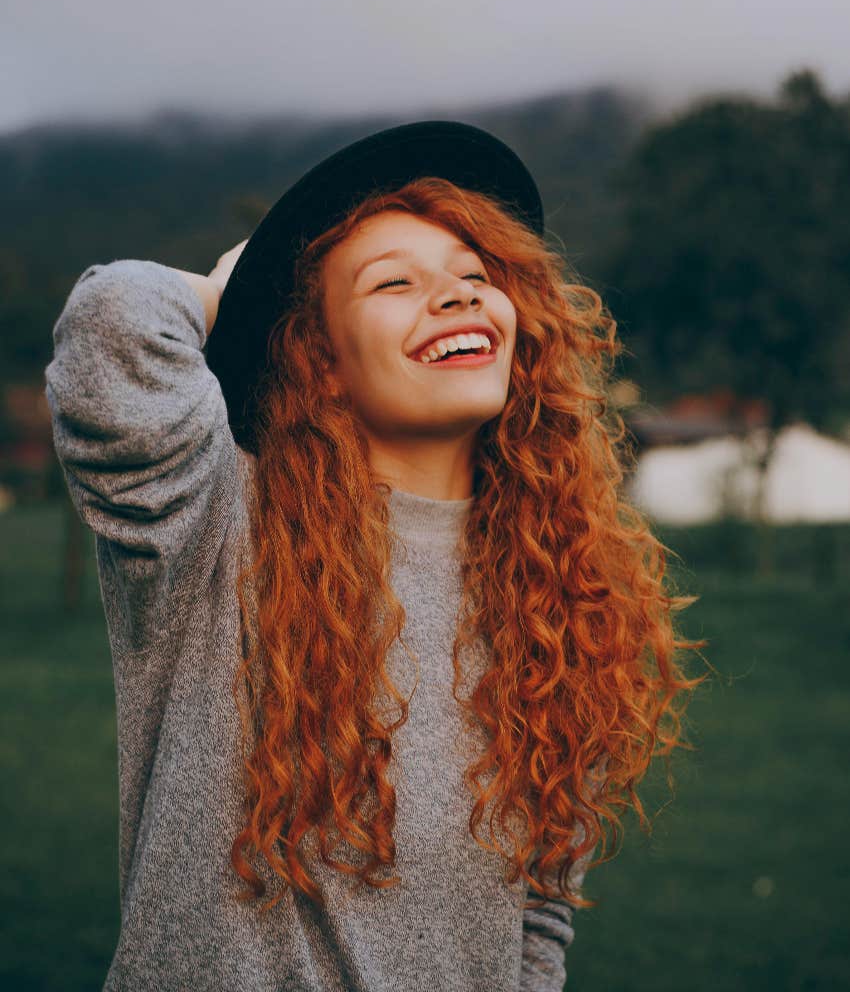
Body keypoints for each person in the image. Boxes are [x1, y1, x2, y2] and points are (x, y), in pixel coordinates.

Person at [45, 121, 705, 991]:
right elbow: (109, 329)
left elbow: (540, 902)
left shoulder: (558, 597)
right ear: (319, 357)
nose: (457, 296)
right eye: (394, 283)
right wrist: (222, 291)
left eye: (478, 277)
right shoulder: (218, 525)